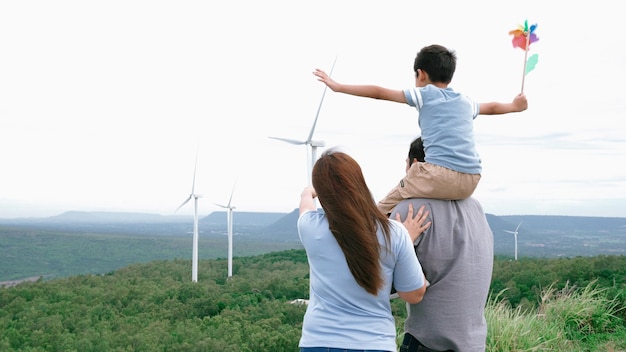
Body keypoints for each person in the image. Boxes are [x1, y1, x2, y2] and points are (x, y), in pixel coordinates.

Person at [313, 44, 528, 215]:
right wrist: (514, 107)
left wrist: (338, 87)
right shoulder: (465, 101)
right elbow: (491, 107)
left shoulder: (426, 94)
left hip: (440, 176)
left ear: (421, 74)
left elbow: (378, 92)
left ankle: (371, 225)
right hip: (471, 180)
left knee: (384, 207)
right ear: (450, 75)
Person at [297, 148, 430, 352]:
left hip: (319, 342)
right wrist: (406, 243)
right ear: (359, 184)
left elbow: (306, 206)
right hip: (375, 343)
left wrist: (308, 192)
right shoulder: (395, 233)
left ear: (323, 193)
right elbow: (413, 294)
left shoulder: (310, 228)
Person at [392, 136, 494, 352]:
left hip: (427, 343)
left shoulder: (409, 211)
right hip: (474, 344)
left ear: (415, 166)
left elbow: (380, 279)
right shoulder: (476, 208)